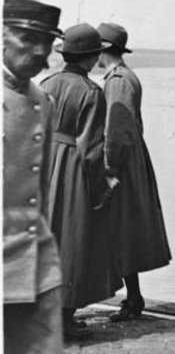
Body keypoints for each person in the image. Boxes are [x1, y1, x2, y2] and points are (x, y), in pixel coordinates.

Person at [40, 23, 121, 339]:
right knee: (76, 242)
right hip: (73, 170)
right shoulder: (90, 93)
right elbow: (90, 148)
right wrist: (100, 186)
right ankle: (64, 318)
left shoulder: (45, 84)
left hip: (45, 166)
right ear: (89, 58)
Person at [97, 23, 172, 322]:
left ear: (103, 50)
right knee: (125, 230)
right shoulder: (127, 77)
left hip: (123, 163)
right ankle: (133, 296)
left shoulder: (117, 81)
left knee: (121, 228)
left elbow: (116, 131)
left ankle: (132, 299)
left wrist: (109, 169)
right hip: (133, 159)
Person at [3, 0, 65, 354]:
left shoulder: (43, 101)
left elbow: (40, 186)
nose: (39, 51)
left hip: (36, 259)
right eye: (28, 38)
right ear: (2, 36)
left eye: (47, 42)